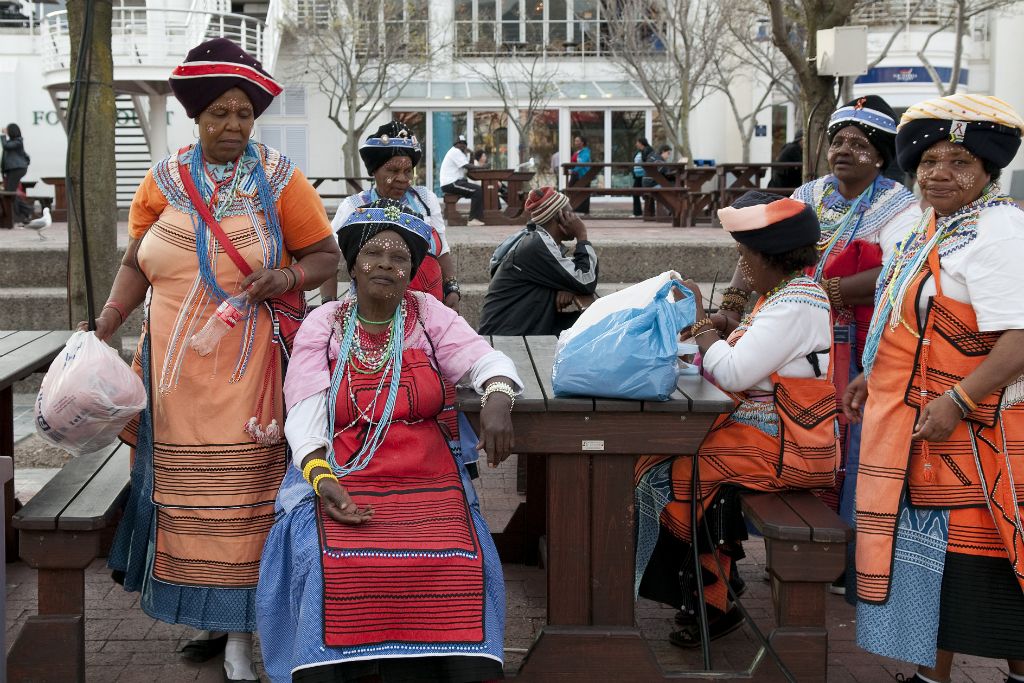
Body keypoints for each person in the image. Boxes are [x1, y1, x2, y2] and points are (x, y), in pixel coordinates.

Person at [84, 38, 340, 683]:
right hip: (171, 380)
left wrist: (285, 278)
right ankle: (212, 614)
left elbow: (324, 256)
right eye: (220, 113)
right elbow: (132, 264)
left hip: (250, 376)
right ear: (196, 117)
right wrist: (108, 320)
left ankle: (240, 636)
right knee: (189, 506)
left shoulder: (281, 180)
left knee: (241, 503)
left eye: (243, 114)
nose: (232, 125)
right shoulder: (163, 180)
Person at [256, 198, 521, 682]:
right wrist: (322, 479)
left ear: (411, 272)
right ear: (353, 265)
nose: (386, 265)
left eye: (399, 258)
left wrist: (498, 397)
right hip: (341, 468)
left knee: (461, 558)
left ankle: (442, 659)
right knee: (325, 557)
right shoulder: (325, 323)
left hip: (426, 472)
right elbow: (306, 411)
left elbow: (483, 359)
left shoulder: (427, 314)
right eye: (373, 254)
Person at [845, 94, 1024, 683]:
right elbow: (913, 317)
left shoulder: (998, 232)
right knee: (937, 571)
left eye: (960, 163)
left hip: (982, 437)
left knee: (986, 569)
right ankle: (931, 676)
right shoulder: (935, 227)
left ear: (988, 173)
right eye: (930, 161)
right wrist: (878, 376)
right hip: (926, 432)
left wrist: (959, 400)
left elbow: (1019, 340)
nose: (940, 173)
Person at [635, 191, 838, 648]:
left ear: (770, 257)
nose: (742, 267)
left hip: (789, 443)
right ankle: (711, 589)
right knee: (661, 459)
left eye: (745, 255)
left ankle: (711, 595)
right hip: (764, 430)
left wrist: (705, 325)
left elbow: (731, 370)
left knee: (677, 471)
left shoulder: (795, 304)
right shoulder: (783, 296)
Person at [774, 96, 919, 594]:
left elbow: (898, 269)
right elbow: (773, 245)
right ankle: (795, 548)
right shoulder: (809, 192)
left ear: (881, 155)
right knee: (797, 427)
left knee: (850, 440)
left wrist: (829, 291)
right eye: (838, 141)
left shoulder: (898, 204)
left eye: (860, 144)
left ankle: (849, 559)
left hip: (855, 344)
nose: (844, 150)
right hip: (799, 333)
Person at [323, 121, 461, 310]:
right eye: (393, 171)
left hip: (427, 307)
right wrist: (328, 306)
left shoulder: (425, 200)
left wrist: (452, 288)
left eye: (407, 171)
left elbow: (442, 249)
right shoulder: (354, 207)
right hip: (369, 310)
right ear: (374, 171)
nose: (403, 179)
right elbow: (330, 258)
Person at [478, 186, 598, 335]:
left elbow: (571, 274)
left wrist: (565, 286)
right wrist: (582, 235)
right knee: (595, 327)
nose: (576, 219)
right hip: (507, 338)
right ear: (560, 217)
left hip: (521, 328)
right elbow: (586, 280)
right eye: (572, 214)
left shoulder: (535, 239)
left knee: (593, 324)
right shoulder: (536, 245)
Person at [439, 134, 485, 226]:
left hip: (454, 182)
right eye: (460, 143)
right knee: (477, 190)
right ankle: (473, 219)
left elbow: (469, 165)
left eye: (464, 143)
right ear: (455, 144)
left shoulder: (459, 153)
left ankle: (478, 216)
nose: (463, 145)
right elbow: (468, 166)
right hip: (451, 183)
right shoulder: (455, 152)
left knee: (478, 189)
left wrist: (471, 155)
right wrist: (481, 167)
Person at [1, 123, 31, 224]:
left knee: (10, 193)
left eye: (8, 130)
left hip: (17, 169)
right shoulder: (13, 142)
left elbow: (6, 146)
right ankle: (24, 212)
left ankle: (24, 212)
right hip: (13, 169)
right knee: (10, 193)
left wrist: (3, 135)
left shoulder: (18, 141)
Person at [632, 136, 655, 216]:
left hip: (645, 176)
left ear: (641, 143)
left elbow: (649, 161)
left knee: (647, 194)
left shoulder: (648, 150)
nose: (636, 144)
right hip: (637, 176)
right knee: (635, 193)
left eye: (637, 142)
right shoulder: (638, 151)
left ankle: (650, 213)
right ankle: (637, 213)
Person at [569, 134, 591, 214]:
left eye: (577, 141)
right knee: (571, 190)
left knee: (584, 192)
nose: (576, 142)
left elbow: (582, 163)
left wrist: (573, 170)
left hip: (583, 175)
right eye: (575, 141)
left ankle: (584, 210)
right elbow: (574, 162)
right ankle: (574, 208)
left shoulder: (585, 152)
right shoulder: (576, 152)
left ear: (582, 143)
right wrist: (571, 169)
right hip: (575, 174)